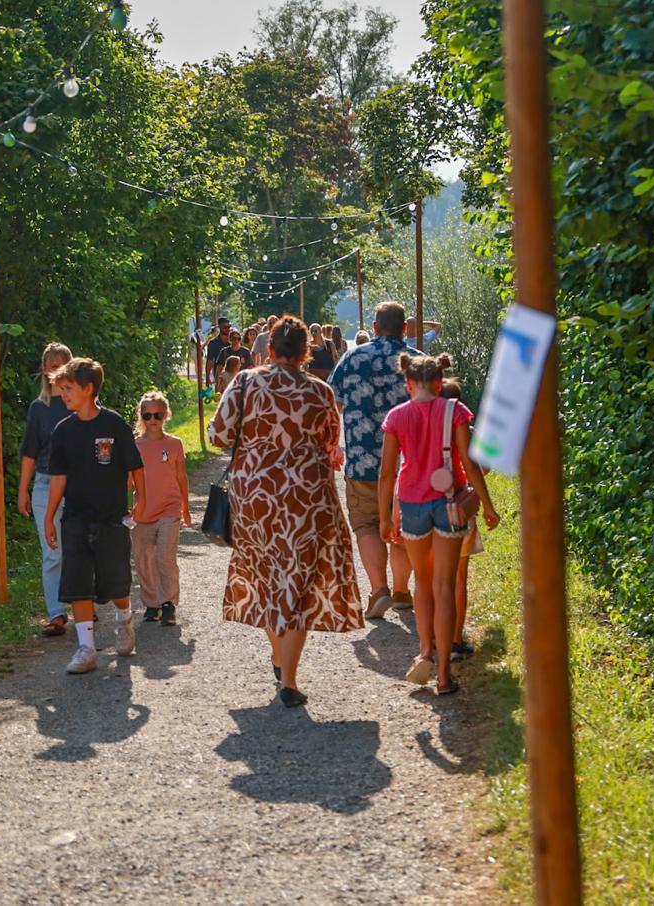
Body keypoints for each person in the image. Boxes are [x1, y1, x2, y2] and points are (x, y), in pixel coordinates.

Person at [209, 316, 362, 707]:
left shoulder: (245, 382)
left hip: (255, 498)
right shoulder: (320, 391)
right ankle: (288, 679)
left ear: (270, 349)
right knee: (297, 581)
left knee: (265, 577)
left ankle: (280, 656)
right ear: (305, 352)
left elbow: (218, 436)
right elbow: (331, 439)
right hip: (307, 499)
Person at [378, 353, 499, 695]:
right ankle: (444, 675)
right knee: (445, 585)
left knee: (423, 582)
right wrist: (488, 506)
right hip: (449, 504)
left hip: (413, 505)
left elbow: (387, 473)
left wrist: (386, 517)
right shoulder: (455, 411)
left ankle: (424, 652)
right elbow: (470, 465)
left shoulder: (396, 417)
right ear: (437, 382)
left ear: (408, 384)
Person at [44, 357, 146, 674]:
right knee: (77, 582)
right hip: (75, 519)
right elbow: (58, 478)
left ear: (88, 389)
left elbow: (135, 466)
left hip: (111, 519)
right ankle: (86, 649)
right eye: (61, 389)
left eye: (68, 388)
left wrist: (141, 499)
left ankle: (124, 618)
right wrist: (49, 517)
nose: (63, 394)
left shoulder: (114, 424)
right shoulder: (63, 431)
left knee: (116, 584)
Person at [328, 301, 422, 618]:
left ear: (375, 327)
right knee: (402, 523)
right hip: (408, 464)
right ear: (404, 329)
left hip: (362, 460)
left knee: (366, 524)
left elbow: (333, 404)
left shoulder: (352, 358)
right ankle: (402, 589)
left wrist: (334, 445)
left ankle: (379, 590)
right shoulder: (416, 362)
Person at [17, 341, 75, 637]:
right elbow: (29, 452)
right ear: (44, 370)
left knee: (79, 546)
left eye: (64, 366)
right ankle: (56, 613)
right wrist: (22, 491)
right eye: (53, 367)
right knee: (53, 551)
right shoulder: (39, 408)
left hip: (77, 484)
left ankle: (84, 603)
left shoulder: (79, 404)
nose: (58, 372)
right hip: (44, 484)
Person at [130, 390, 190, 626]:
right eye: (147, 415)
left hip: (170, 508)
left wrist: (185, 507)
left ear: (166, 415)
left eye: (158, 415)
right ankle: (151, 603)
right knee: (143, 558)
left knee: (164, 556)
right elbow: (127, 480)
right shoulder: (134, 446)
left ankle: (168, 603)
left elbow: (181, 476)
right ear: (141, 416)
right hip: (142, 511)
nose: (152, 420)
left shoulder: (174, 444)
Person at [439, 376, 483, 660]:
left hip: (425, 506)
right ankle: (455, 640)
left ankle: (433, 639)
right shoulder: (468, 430)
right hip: (458, 506)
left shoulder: (420, 424)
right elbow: (484, 465)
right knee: (458, 578)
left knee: (432, 577)